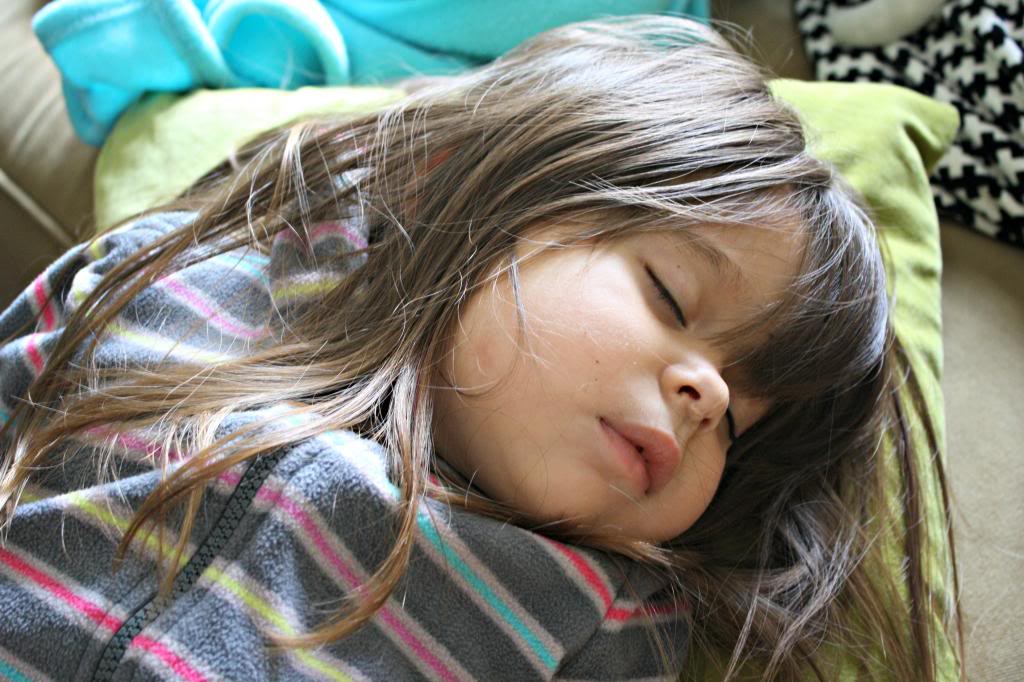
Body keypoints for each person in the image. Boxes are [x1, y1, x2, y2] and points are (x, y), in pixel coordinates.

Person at [0, 15, 959, 682]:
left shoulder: (602, 621)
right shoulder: (183, 281)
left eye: (739, 425)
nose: (708, 394)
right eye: (670, 294)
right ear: (459, 187)